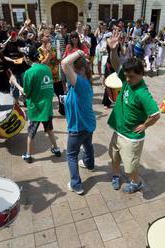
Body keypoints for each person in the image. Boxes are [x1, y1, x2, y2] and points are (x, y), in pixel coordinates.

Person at [107, 30, 160, 193]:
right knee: (114, 157)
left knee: (130, 168)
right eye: (127, 76)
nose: (127, 79)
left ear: (141, 74)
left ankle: (136, 183)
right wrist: (113, 50)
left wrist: (145, 126)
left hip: (131, 137)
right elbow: (116, 64)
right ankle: (116, 175)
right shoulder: (127, 80)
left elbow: (156, 114)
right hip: (119, 130)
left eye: (131, 77)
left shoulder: (142, 93)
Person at [61, 50, 96, 195]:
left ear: (78, 70)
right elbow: (76, 99)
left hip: (78, 128)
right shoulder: (84, 82)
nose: (68, 74)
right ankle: (89, 163)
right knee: (87, 145)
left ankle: (76, 185)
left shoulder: (79, 82)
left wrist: (79, 52)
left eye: (71, 71)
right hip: (88, 125)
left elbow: (64, 63)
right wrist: (65, 99)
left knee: (71, 155)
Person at [21, 44, 61, 163]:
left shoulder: (29, 72)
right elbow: (49, 88)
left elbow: (26, 93)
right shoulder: (46, 69)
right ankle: (56, 149)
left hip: (35, 107)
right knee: (49, 129)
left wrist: (15, 83)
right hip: (47, 106)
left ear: (27, 58)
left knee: (31, 133)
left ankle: (28, 155)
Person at [38, 30, 65, 115]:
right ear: (42, 38)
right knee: (47, 97)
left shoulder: (53, 48)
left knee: (61, 94)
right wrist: (49, 53)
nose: (49, 37)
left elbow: (59, 60)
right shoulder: (39, 50)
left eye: (49, 36)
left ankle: (63, 110)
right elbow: (42, 63)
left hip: (56, 76)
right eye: (47, 36)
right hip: (46, 78)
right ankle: (47, 113)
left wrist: (60, 53)